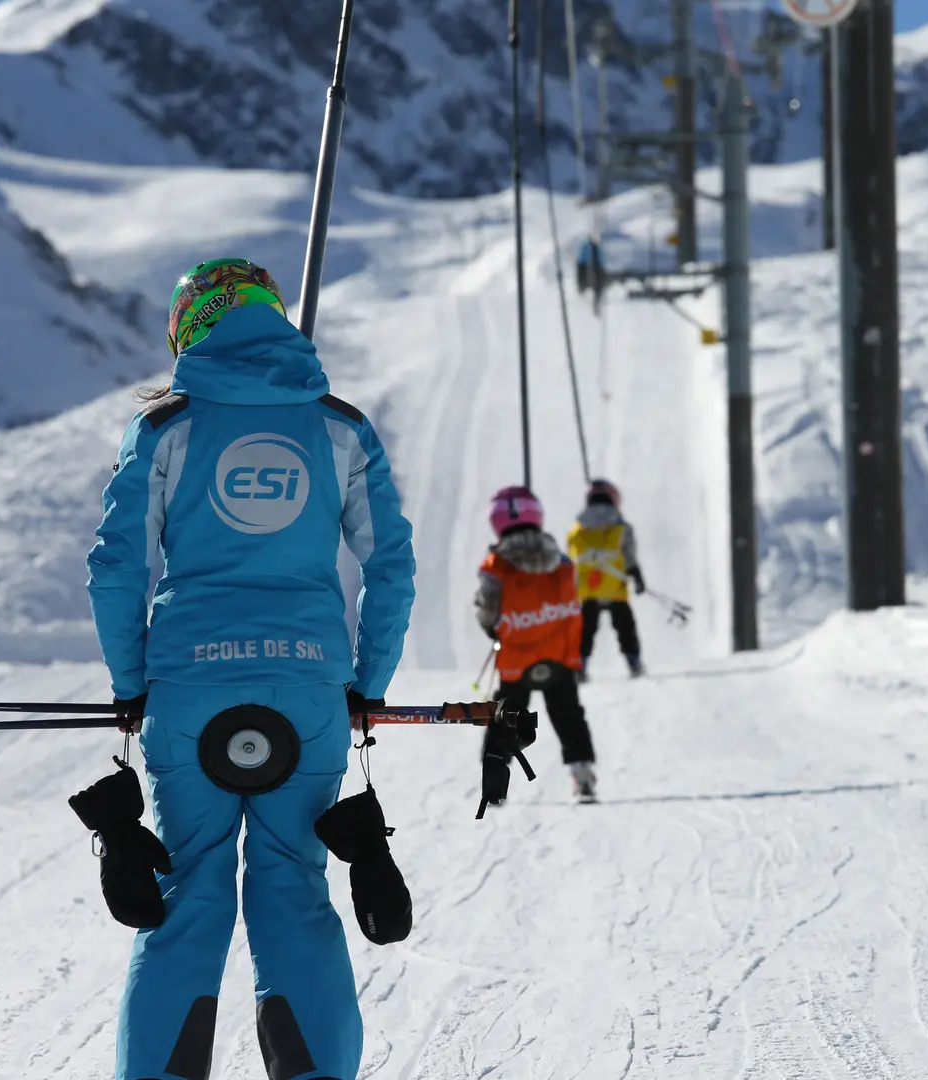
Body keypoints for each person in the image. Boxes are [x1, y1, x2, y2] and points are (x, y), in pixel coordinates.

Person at [86, 257, 414, 1080]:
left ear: (188, 330)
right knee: (293, 889)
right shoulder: (340, 427)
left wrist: (131, 686)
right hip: (306, 692)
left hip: (189, 691)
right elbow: (391, 565)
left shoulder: (164, 428)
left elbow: (117, 567)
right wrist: (368, 685)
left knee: (184, 901)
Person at [473, 485, 597, 801]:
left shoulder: (496, 567)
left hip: (517, 659)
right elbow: (575, 602)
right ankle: (583, 774)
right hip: (559, 656)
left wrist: (492, 628)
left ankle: (494, 783)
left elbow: (487, 610)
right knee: (568, 714)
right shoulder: (562, 562)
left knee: (506, 717)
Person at [566, 478, 646, 680]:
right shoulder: (622, 528)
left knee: (585, 629)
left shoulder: (577, 529)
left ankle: (580, 665)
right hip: (615, 586)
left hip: (588, 588)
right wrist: (637, 577)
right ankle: (634, 661)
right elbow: (629, 556)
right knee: (625, 626)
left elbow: (573, 557)